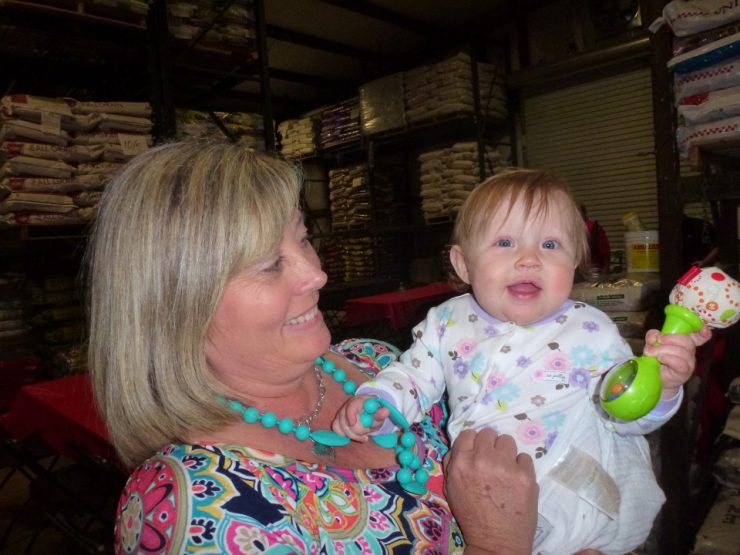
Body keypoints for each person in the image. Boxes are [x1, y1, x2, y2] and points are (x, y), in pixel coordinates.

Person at [85, 140, 540, 554]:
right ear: (176, 308)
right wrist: (497, 543)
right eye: (269, 264)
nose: (315, 274)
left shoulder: (378, 361)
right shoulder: (192, 503)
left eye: (303, 238)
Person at [333, 169, 711, 554]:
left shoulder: (591, 331)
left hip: (573, 492)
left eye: (550, 244)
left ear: (575, 260)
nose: (529, 259)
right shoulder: (446, 322)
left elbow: (626, 416)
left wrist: (662, 387)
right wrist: (382, 399)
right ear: (464, 265)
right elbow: (414, 375)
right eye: (505, 242)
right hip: (480, 494)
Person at [581, 204, 611, 275]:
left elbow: (605, 252)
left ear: (584, 213)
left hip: (594, 271)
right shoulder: (570, 229)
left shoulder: (594, 228)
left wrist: (605, 272)